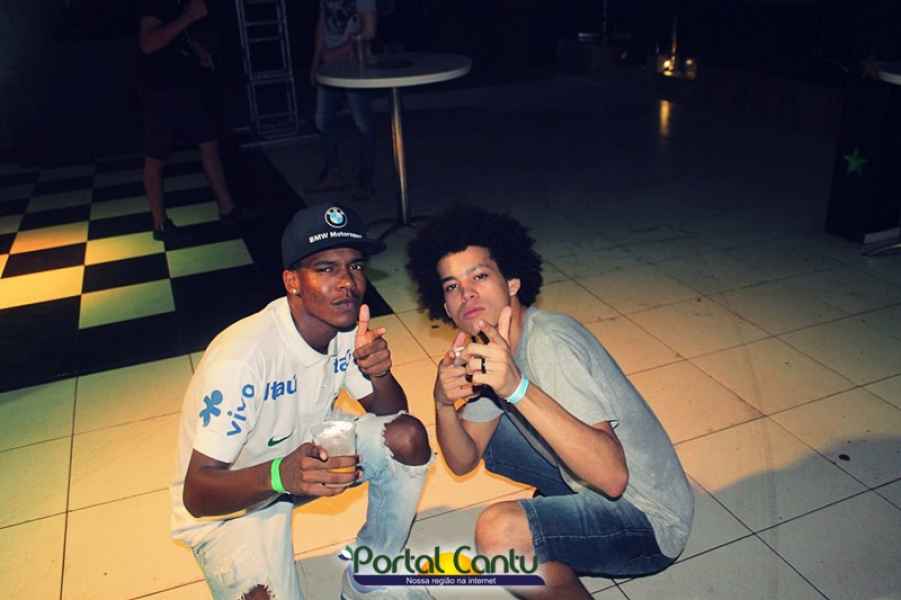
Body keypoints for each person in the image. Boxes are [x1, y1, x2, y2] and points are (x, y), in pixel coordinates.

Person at [406, 205, 694, 600]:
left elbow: (613, 478)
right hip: (593, 482)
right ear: (445, 306)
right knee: (494, 434)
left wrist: (516, 388)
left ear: (512, 282)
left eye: (480, 276)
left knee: (500, 536)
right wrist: (442, 404)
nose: (466, 292)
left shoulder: (549, 343)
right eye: (452, 286)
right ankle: (561, 517)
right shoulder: (490, 348)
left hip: (649, 518)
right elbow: (463, 460)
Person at [171, 203, 435, 600]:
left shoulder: (344, 326)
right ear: (292, 281)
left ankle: (370, 579)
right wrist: (280, 475)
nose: (347, 282)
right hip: (232, 500)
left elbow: (395, 421)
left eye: (355, 266)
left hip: (305, 456)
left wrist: (379, 373)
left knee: (407, 438)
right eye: (326, 268)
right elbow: (196, 494)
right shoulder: (242, 360)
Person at [137, 0, 240, 242]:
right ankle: (160, 224)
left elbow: (180, 38)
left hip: (188, 85)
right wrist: (189, 17)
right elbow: (148, 44)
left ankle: (228, 209)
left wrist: (200, 52)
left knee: (209, 144)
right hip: (159, 91)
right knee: (155, 158)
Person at [309, 0, 377, 202]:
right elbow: (322, 24)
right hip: (329, 64)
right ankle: (333, 175)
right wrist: (315, 63)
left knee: (363, 123)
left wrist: (339, 52)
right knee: (322, 120)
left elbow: (369, 30)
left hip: (355, 64)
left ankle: (365, 181)